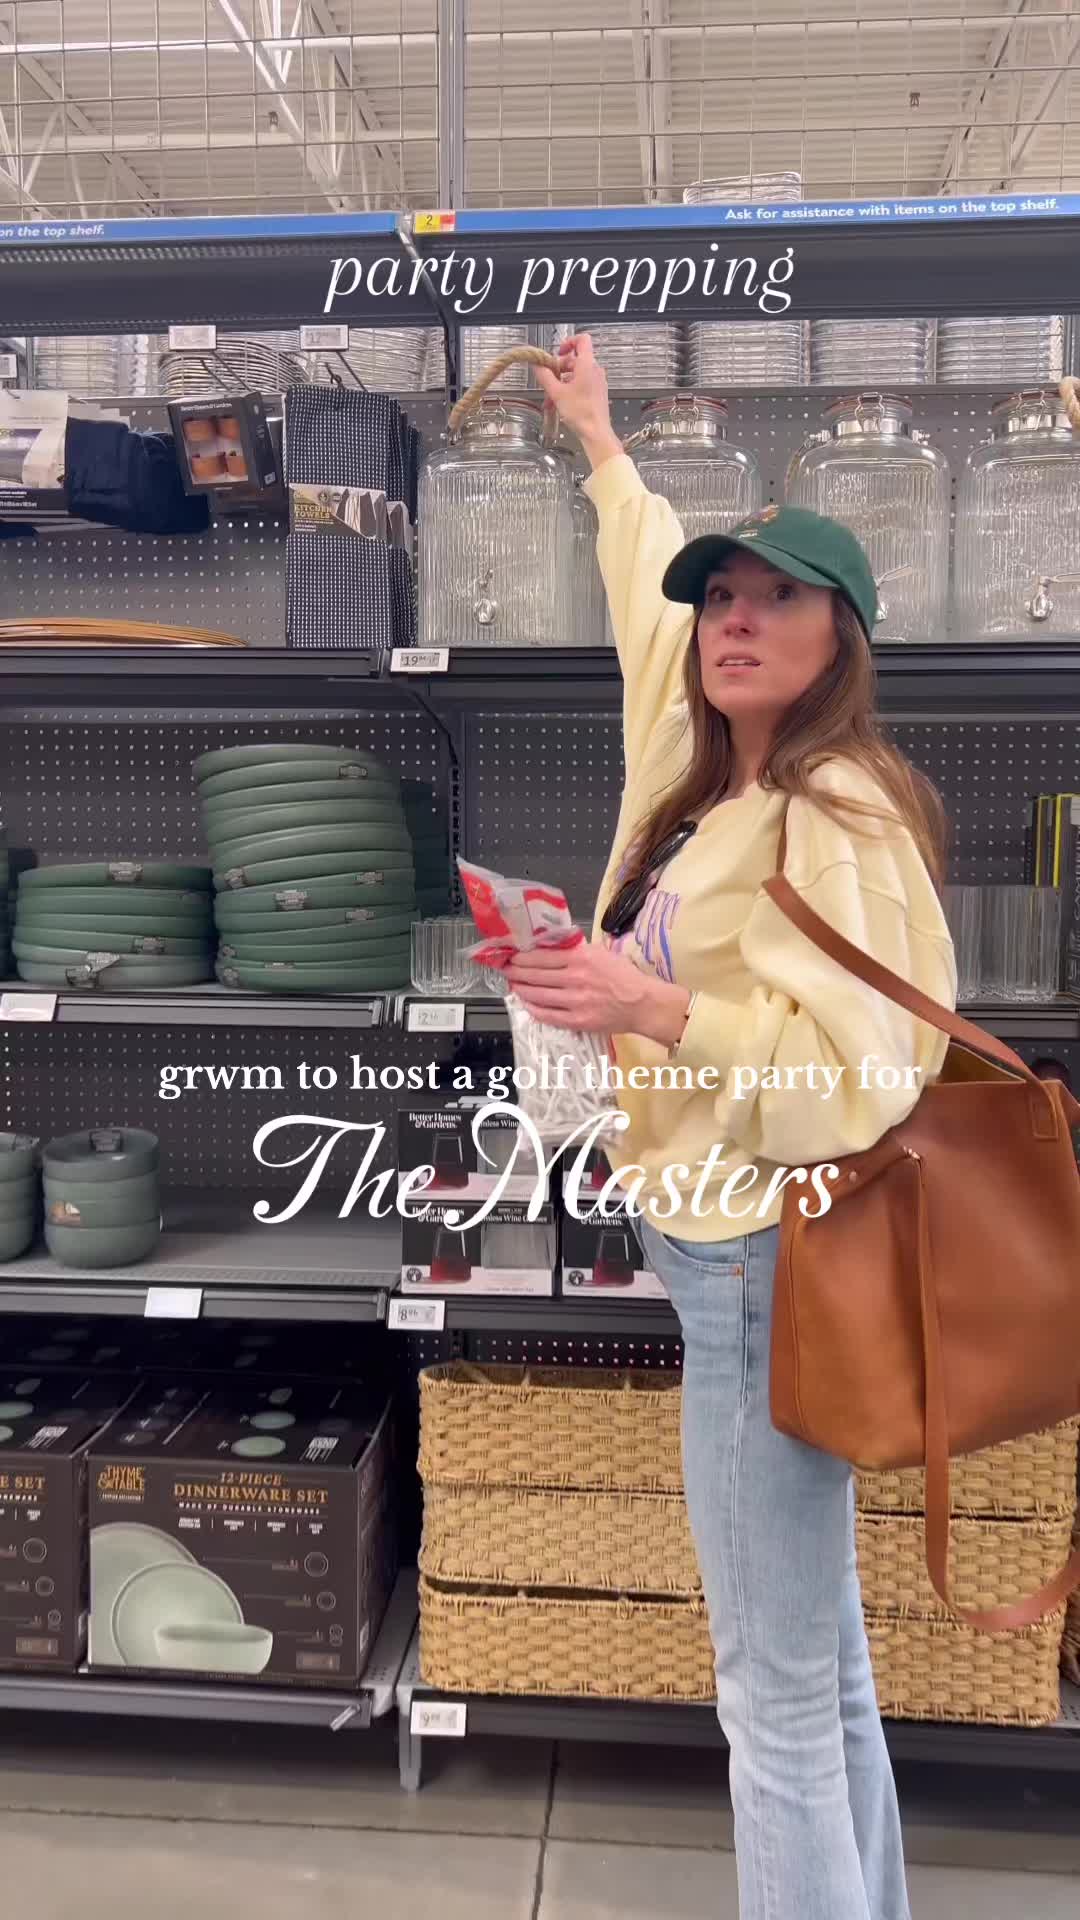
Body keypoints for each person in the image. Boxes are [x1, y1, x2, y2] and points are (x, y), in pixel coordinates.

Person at [504, 334, 958, 1920]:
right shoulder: (700, 782)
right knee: (819, 1668)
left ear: (844, 639)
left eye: (779, 597)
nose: (734, 621)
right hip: (727, 1258)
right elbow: (647, 603)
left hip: (771, 1261)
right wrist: (600, 445)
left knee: (768, 1697)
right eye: (724, 600)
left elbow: (869, 1076)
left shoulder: (836, 812)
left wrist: (654, 1009)